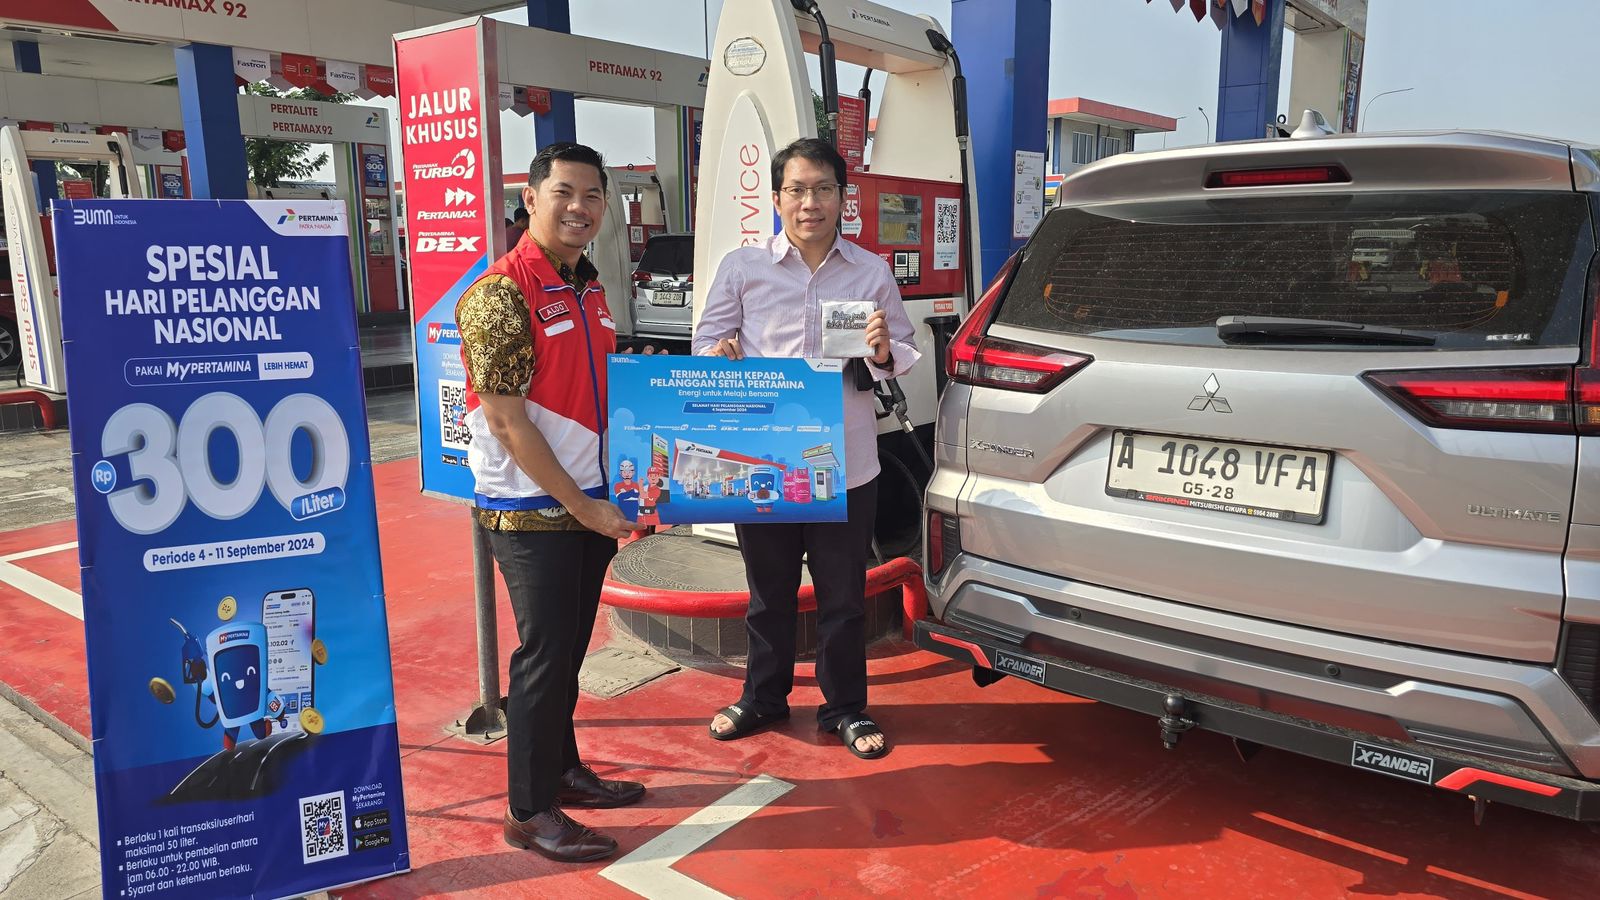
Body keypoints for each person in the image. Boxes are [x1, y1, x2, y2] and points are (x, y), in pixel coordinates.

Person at [692, 137, 920, 759]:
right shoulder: (743, 267)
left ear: (843, 198)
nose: (809, 202)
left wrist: (882, 352)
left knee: (843, 599)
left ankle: (844, 708)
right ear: (776, 198)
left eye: (822, 189)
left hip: (847, 464)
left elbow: (903, 350)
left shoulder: (871, 272)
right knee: (768, 595)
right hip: (765, 463)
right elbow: (705, 343)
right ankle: (763, 698)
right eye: (796, 190)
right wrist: (719, 354)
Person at [454, 142, 646, 864]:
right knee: (542, 655)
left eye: (592, 196)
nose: (579, 207)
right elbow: (506, 421)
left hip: (589, 499)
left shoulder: (587, 286)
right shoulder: (501, 294)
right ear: (531, 199)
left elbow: (590, 387)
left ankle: (563, 771)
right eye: (564, 192)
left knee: (568, 649)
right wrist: (584, 507)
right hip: (531, 509)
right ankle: (530, 810)